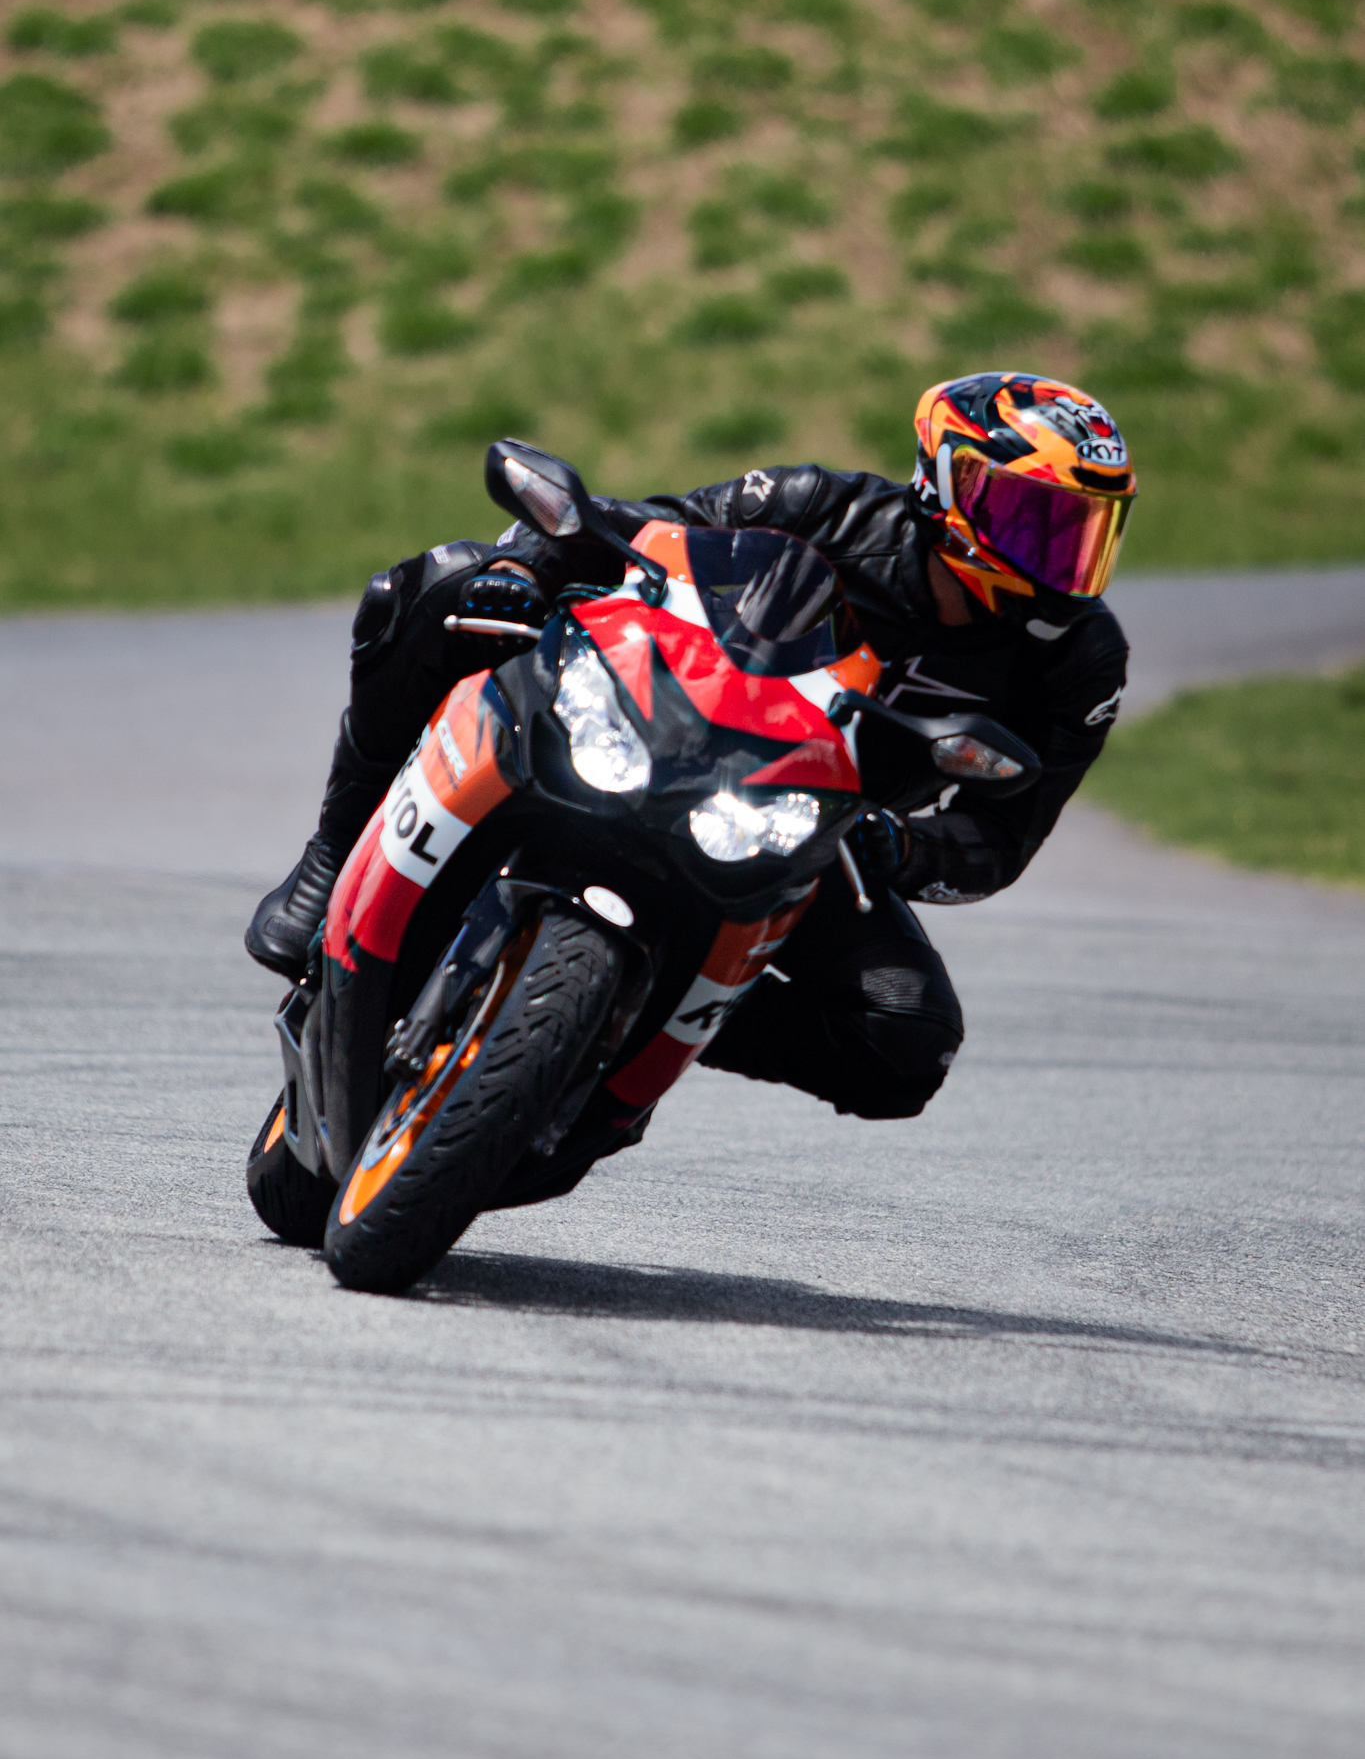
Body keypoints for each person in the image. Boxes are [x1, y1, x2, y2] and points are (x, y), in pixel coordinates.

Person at [246, 370, 1135, 1190]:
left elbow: (1000, 839)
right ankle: (331, 858)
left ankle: (633, 1023)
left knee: (904, 1038)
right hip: (654, 723)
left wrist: (896, 845)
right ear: (947, 485)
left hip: (801, 832)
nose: (1057, 554)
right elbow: (634, 534)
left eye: (1081, 531)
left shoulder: (1081, 660)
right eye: (1034, 519)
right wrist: (523, 572)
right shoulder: (818, 505)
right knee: (441, 585)